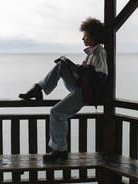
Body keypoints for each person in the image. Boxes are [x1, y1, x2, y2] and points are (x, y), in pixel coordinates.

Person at [19, 17, 108, 162]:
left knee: (56, 112)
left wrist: (78, 69)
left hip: (85, 92)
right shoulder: (92, 52)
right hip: (81, 85)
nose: (82, 38)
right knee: (61, 65)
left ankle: (60, 150)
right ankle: (38, 88)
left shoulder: (99, 53)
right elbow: (90, 73)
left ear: (92, 36)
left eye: (85, 35)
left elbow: (100, 78)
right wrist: (76, 68)